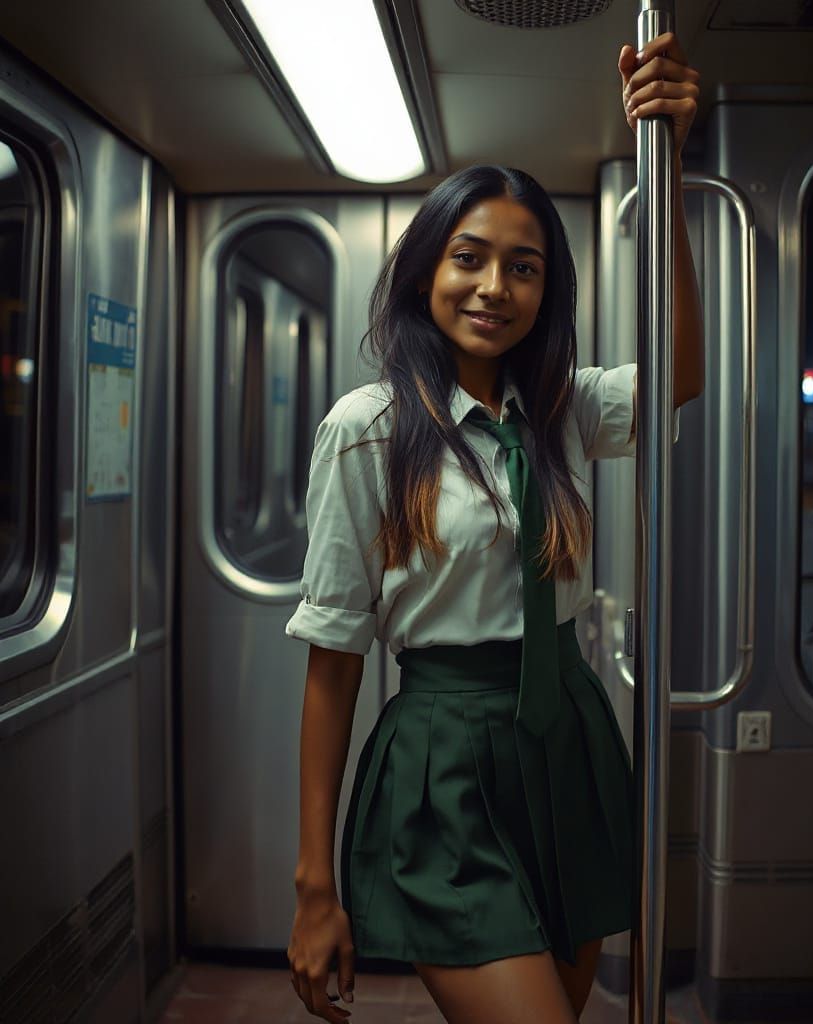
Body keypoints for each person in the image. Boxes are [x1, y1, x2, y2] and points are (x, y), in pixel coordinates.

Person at [284, 31, 702, 1024]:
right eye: (468, 258)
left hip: (568, 745)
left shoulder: (559, 407)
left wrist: (670, 164)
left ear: (544, 292)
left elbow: (680, 372)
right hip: (444, 763)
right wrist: (312, 886)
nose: (493, 288)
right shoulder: (367, 430)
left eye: (523, 269)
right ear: (428, 269)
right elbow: (336, 657)